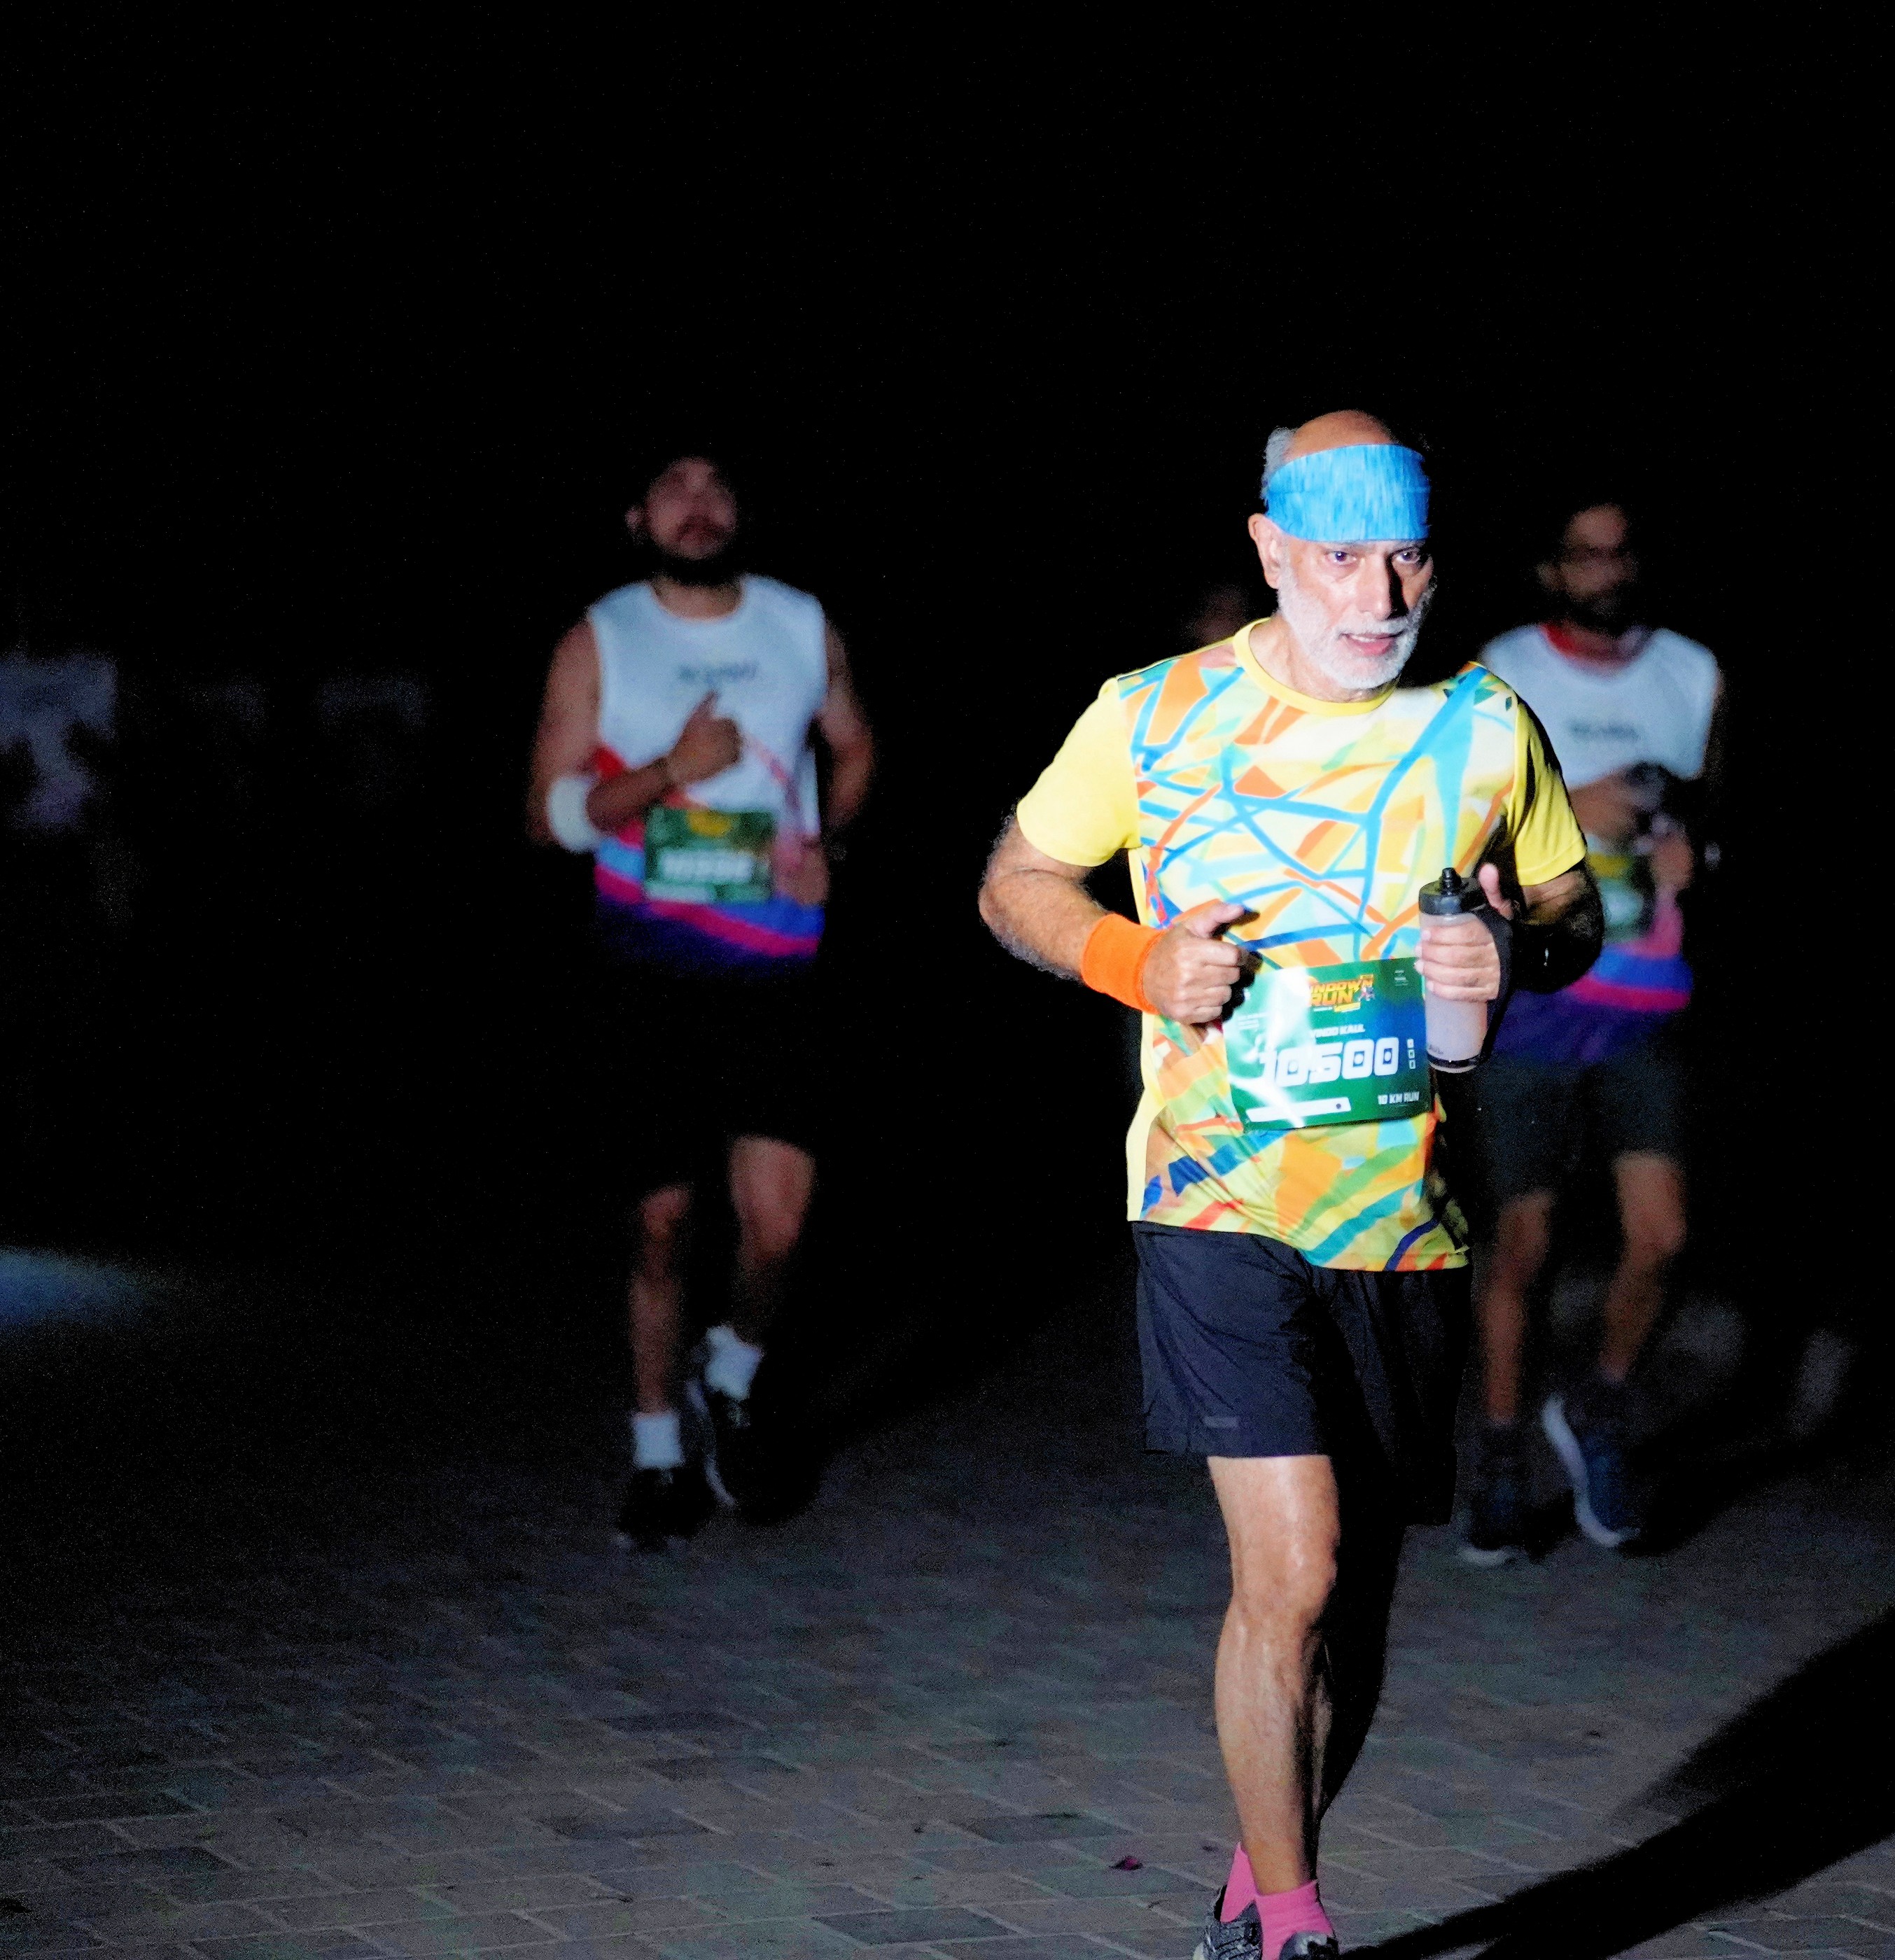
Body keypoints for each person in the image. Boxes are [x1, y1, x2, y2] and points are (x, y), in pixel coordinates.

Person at [978, 413, 1599, 1960]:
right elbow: (1013, 883)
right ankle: (1299, 1928)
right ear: (1269, 550)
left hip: (1402, 1218)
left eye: (1407, 558)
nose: (1379, 595)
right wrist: (1132, 959)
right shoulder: (1154, 713)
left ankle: (1260, 1881)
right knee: (1298, 1565)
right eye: (1340, 558)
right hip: (1213, 1205)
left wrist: (1514, 950)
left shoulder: (1487, 725)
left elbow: (1574, 907)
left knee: (1354, 1611)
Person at [524, 453, 877, 1549]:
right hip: (649, 973)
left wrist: (828, 845)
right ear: (638, 516)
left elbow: (854, 745)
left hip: (777, 968)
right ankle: (655, 1457)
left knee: (780, 1227)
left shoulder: (799, 623)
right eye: (674, 488)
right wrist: (670, 771)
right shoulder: (600, 637)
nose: (698, 505)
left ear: (742, 510)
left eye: (717, 485)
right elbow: (548, 817)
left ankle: (728, 1371)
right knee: (662, 1225)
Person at [1460, 498, 1723, 1563]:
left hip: (1649, 997)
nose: (1609, 571)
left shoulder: (1693, 674)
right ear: (1552, 571)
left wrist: (1702, 857)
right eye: (1587, 555)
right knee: (1522, 1245)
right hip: (1534, 996)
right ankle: (1500, 1461)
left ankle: (1598, 1413)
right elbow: (1460, 826)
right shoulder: (1506, 669)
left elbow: (1715, 817)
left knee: (1663, 1236)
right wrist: (1569, 804)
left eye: (1624, 553)